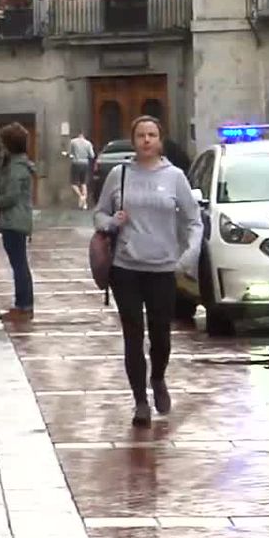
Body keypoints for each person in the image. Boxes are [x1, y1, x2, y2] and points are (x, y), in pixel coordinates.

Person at [94, 116, 202, 427]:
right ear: (133, 140)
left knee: (160, 335)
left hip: (163, 268)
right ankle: (140, 401)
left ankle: (158, 378)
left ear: (160, 140)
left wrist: (189, 254)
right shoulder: (120, 175)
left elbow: (194, 220)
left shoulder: (175, 177)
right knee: (132, 334)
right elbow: (99, 214)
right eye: (140, 135)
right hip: (125, 267)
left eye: (151, 135)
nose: (146, 140)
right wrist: (112, 221)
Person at [0, 122, 36, 323]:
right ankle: (24, 304)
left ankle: (23, 305)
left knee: (19, 264)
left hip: (14, 220)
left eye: (2, 142)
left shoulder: (16, 168)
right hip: (15, 219)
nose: (0, 146)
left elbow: (12, 196)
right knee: (19, 263)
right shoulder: (14, 164)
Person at [67, 131, 96, 209]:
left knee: (73, 183)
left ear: (78, 135)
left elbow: (70, 153)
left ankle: (81, 196)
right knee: (84, 183)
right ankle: (84, 204)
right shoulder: (88, 143)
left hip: (76, 163)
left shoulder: (73, 142)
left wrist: (67, 155)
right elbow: (92, 155)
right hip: (85, 164)